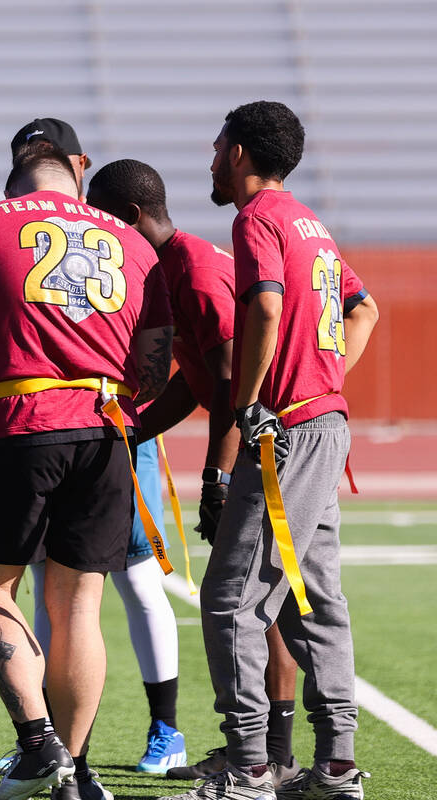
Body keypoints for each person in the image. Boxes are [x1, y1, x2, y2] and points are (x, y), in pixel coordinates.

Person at [0, 142, 173, 800]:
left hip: (18, 427)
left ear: (15, 180)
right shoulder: (133, 241)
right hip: (108, 431)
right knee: (79, 608)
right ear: (77, 175)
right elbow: (153, 365)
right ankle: (74, 774)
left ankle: (38, 745)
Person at [157, 101, 379, 800]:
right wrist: (326, 380)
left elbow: (269, 306)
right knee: (313, 600)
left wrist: (254, 401)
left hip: (286, 431)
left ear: (243, 154)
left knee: (229, 600)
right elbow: (364, 309)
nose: (212, 159)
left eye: (219, 147)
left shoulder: (256, 219)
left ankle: (250, 767)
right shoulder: (310, 221)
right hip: (323, 424)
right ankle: (336, 766)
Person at [87, 159, 307, 788]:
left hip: (269, 439)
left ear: (129, 217)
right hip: (254, 436)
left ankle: (276, 752)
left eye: (100, 216)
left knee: (254, 597)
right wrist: (135, 430)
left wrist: (215, 476)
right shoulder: (170, 266)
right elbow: (196, 380)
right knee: (256, 596)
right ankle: (269, 750)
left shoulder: (196, 270)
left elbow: (236, 382)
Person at [9, 121, 186, 776]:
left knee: (137, 577)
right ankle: (50, 741)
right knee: (45, 587)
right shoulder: (26, 231)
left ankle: (166, 731)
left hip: (110, 426)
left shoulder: (115, 237)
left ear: (77, 164)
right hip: (46, 429)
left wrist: (133, 414)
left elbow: (156, 346)